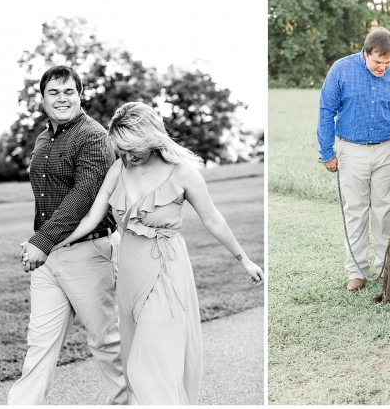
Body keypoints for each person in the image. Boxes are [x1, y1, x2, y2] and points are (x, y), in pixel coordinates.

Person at [44, 101, 264, 405]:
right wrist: (52, 242)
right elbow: (92, 218)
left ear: (151, 137)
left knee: (148, 363)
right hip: (131, 271)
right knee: (137, 361)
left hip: (166, 269)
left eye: (133, 148)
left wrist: (244, 259)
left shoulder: (182, 173)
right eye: (120, 149)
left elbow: (213, 219)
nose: (127, 156)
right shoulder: (119, 167)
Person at [9, 66, 127, 404]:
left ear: (79, 95)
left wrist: (40, 241)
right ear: (43, 98)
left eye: (69, 92)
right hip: (49, 257)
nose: (62, 99)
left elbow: (83, 196)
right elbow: (47, 197)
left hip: (89, 253)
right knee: (39, 343)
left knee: (105, 342)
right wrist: (43, 241)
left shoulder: (93, 136)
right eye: (54, 92)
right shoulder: (43, 138)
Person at [317, 27, 390, 292]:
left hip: (386, 149)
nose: (383, 67)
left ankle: (386, 268)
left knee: (385, 211)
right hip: (351, 150)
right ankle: (356, 271)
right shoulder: (341, 69)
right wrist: (327, 152)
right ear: (365, 53)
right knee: (356, 212)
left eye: (387, 62)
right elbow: (326, 110)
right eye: (377, 62)